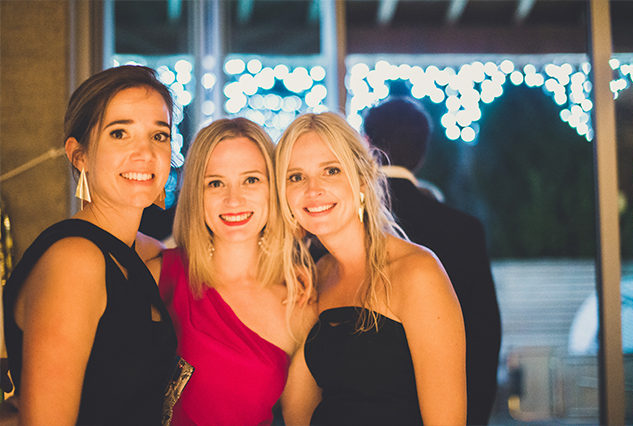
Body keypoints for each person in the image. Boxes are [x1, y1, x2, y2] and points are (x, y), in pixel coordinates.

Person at [2, 65, 177, 424]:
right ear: (78, 155)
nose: (145, 152)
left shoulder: (139, 250)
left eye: (159, 136)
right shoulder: (75, 260)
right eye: (120, 133)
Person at [275, 112, 466, 426]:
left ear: (362, 180)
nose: (313, 189)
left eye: (331, 171)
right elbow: (297, 412)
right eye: (296, 177)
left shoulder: (417, 272)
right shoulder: (316, 275)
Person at [147, 118, 315, 426]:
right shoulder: (158, 277)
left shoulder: (299, 304)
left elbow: (299, 420)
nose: (233, 199)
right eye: (215, 183)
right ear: (197, 194)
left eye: (251, 180)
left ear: (272, 189)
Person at [363, 96, 502, 425]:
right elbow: (484, 334)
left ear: (366, 143)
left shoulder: (343, 223)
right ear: (423, 153)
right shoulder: (463, 229)